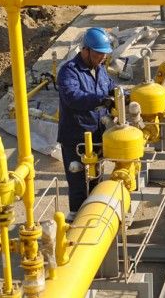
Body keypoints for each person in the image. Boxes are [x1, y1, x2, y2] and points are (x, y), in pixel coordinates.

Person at [57, 27, 116, 221]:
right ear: (85, 50)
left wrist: (120, 94)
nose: (102, 57)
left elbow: (110, 87)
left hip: (97, 134)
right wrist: (101, 99)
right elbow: (73, 97)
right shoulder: (69, 71)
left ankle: (92, 216)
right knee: (77, 182)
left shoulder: (99, 69)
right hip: (76, 137)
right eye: (99, 53)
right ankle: (75, 218)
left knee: (96, 179)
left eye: (104, 54)